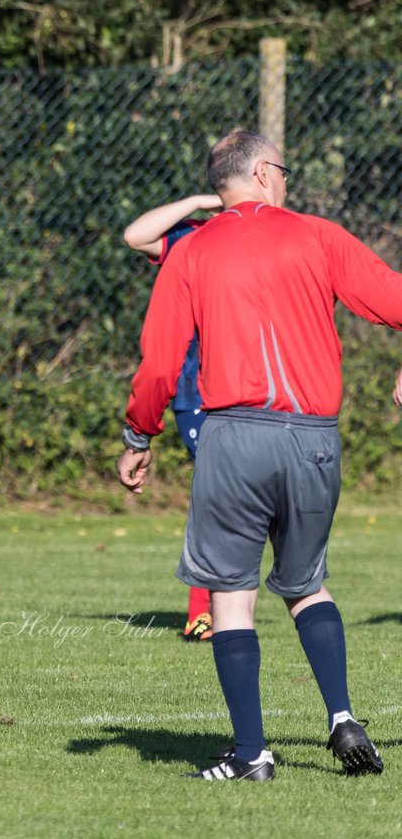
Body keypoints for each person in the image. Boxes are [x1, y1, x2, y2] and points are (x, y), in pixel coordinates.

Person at [118, 130, 397, 780]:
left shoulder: (192, 249)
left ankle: (252, 755)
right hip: (314, 438)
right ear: (267, 172)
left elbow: (159, 362)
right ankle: (341, 718)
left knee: (231, 598)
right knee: (305, 585)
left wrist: (139, 434)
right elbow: (395, 301)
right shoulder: (319, 236)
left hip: (235, 436)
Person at [123, 194, 222, 642]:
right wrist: (203, 202)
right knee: (218, 496)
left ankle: (232, 604)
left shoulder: (270, 234)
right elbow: (135, 235)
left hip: (255, 392)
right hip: (197, 394)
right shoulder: (193, 235)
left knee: (242, 499)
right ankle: (203, 611)